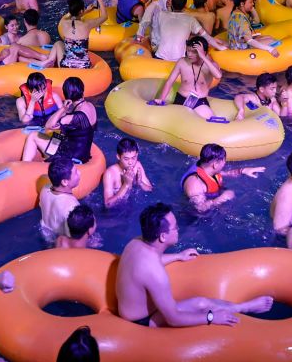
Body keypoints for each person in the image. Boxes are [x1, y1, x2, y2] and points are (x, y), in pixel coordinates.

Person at [116, 203, 273, 327]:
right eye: (174, 228)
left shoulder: (135, 243)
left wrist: (178, 256)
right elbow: (173, 319)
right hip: (141, 322)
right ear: (163, 236)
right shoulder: (154, 272)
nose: (178, 230)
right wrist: (211, 317)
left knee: (199, 302)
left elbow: (146, 266)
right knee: (202, 303)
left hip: (128, 310)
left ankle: (242, 306)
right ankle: (245, 308)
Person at [21, 77, 97, 164]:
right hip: (83, 153)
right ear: (82, 90)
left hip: (72, 157)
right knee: (56, 134)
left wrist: (63, 109)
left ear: (66, 95)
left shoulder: (71, 118)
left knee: (33, 136)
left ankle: (25, 167)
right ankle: (48, 157)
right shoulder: (90, 106)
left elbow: (48, 125)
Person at [152, 36, 222, 120]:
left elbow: (218, 76)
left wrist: (203, 57)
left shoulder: (210, 65)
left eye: (194, 52)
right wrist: (161, 99)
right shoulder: (182, 62)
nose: (189, 54)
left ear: (203, 52)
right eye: (188, 50)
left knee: (210, 122)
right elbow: (169, 82)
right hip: (180, 99)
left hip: (199, 102)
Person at [181, 143, 264, 213]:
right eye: (224, 161)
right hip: (194, 217)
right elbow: (200, 208)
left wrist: (243, 170)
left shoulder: (208, 169)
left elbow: (227, 173)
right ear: (215, 164)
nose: (225, 163)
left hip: (211, 198)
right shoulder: (195, 184)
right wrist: (221, 198)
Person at [102, 138, 152, 208]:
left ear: (137, 155)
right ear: (118, 157)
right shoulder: (110, 173)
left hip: (133, 204)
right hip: (117, 211)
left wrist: (140, 183)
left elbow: (150, 190)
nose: (131, 162)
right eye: (126, 159)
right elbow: (108, 205)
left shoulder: (137, 165)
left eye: (133, 158)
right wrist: (126, 185)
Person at [39, 157, 81, 238]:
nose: (79, 173)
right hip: (58, 244)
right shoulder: (72, 206)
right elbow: (73, 239)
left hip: (44, 235)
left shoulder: (45, 189)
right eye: (76, 172)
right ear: (65, 182)